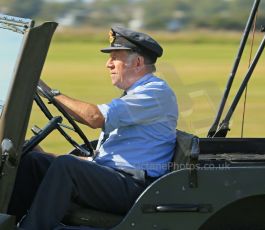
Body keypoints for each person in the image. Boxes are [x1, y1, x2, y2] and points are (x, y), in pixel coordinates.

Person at [8, 27, 178, 229]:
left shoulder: (155, 93)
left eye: (115, 57)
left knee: (66, 167)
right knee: (34, 161)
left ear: (138, 62)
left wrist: (49, 92)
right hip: (116, 177)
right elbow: (113, 154)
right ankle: (10, 221)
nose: (108, 64)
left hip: (133, 187)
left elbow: (94, 117)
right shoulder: (136, 93)